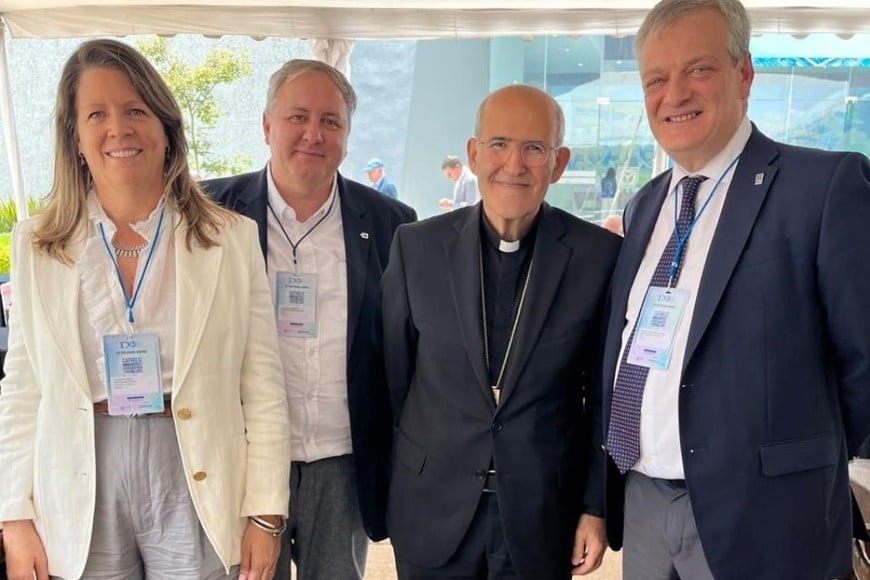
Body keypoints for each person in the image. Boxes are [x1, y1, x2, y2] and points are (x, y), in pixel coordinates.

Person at [0, 39, 290, 580]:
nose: (119, 129)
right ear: (75, 137)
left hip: (195, 464)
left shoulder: (230, 239)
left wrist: (266, 515)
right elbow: (22, 386)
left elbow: (264, 386)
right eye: (97, 114)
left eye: (136, 109)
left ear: (165, 125)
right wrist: (13, 515)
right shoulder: (36, 244)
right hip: (81, 471)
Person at [602, 1, 870, 579]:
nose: (674, 94)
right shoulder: (646, 205)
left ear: (743, 74)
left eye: (697, 69)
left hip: (765, 511)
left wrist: (800, 453)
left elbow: (864, 358)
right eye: (656, 78)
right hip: (644, 500)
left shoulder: (823, 188)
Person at [382, 84, 621, 580]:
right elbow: (393, 380)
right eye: (499, 144)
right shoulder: (416, 247)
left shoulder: (597, 256)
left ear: (558, 163)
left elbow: (601, 398)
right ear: (473, 153)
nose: (514, 165)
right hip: (432, 504)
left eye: (535, 148)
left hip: (541, 513)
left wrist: (595, 507)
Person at [203, 59, 416, 580]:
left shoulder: (394, 224)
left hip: (343, 460)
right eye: (298, 117)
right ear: (267, 125)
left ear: (347, 134)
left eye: (331, 121)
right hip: (246, 459)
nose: (314, 135)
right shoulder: (209, 211)